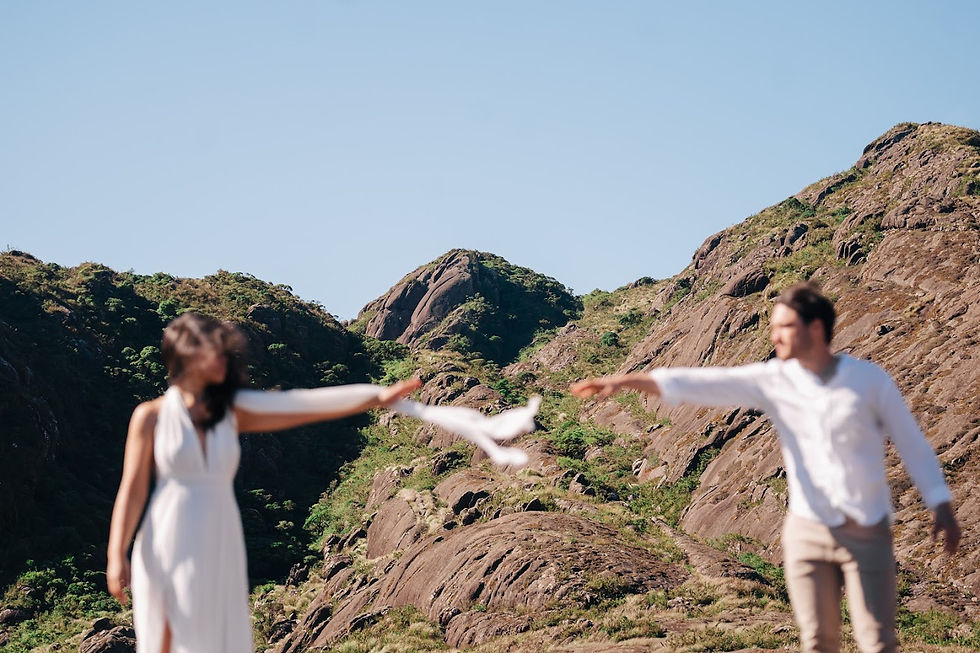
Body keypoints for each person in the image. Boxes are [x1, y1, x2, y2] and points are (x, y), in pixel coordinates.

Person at [570, 282, 960, 653]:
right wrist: (625, 381)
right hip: (805, 532)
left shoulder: (868, 380)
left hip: (866, 529)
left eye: (785, 327)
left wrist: (940, 503)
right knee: (819, 643)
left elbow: (912, 444)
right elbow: (700, 383)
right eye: (773, 327)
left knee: (877, 642)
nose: (774, 336)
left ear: (817, 328)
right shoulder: (774, 379)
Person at [106, 313, 421, 653]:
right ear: (190, 355)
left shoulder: (231, 412)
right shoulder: (150, 416)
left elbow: (303, 405)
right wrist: (116, 553)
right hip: (166, 533)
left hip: (217, 537)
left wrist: (374, 397)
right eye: (218, 352)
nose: (227, 359)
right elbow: (133, 489)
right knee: (163, 641)